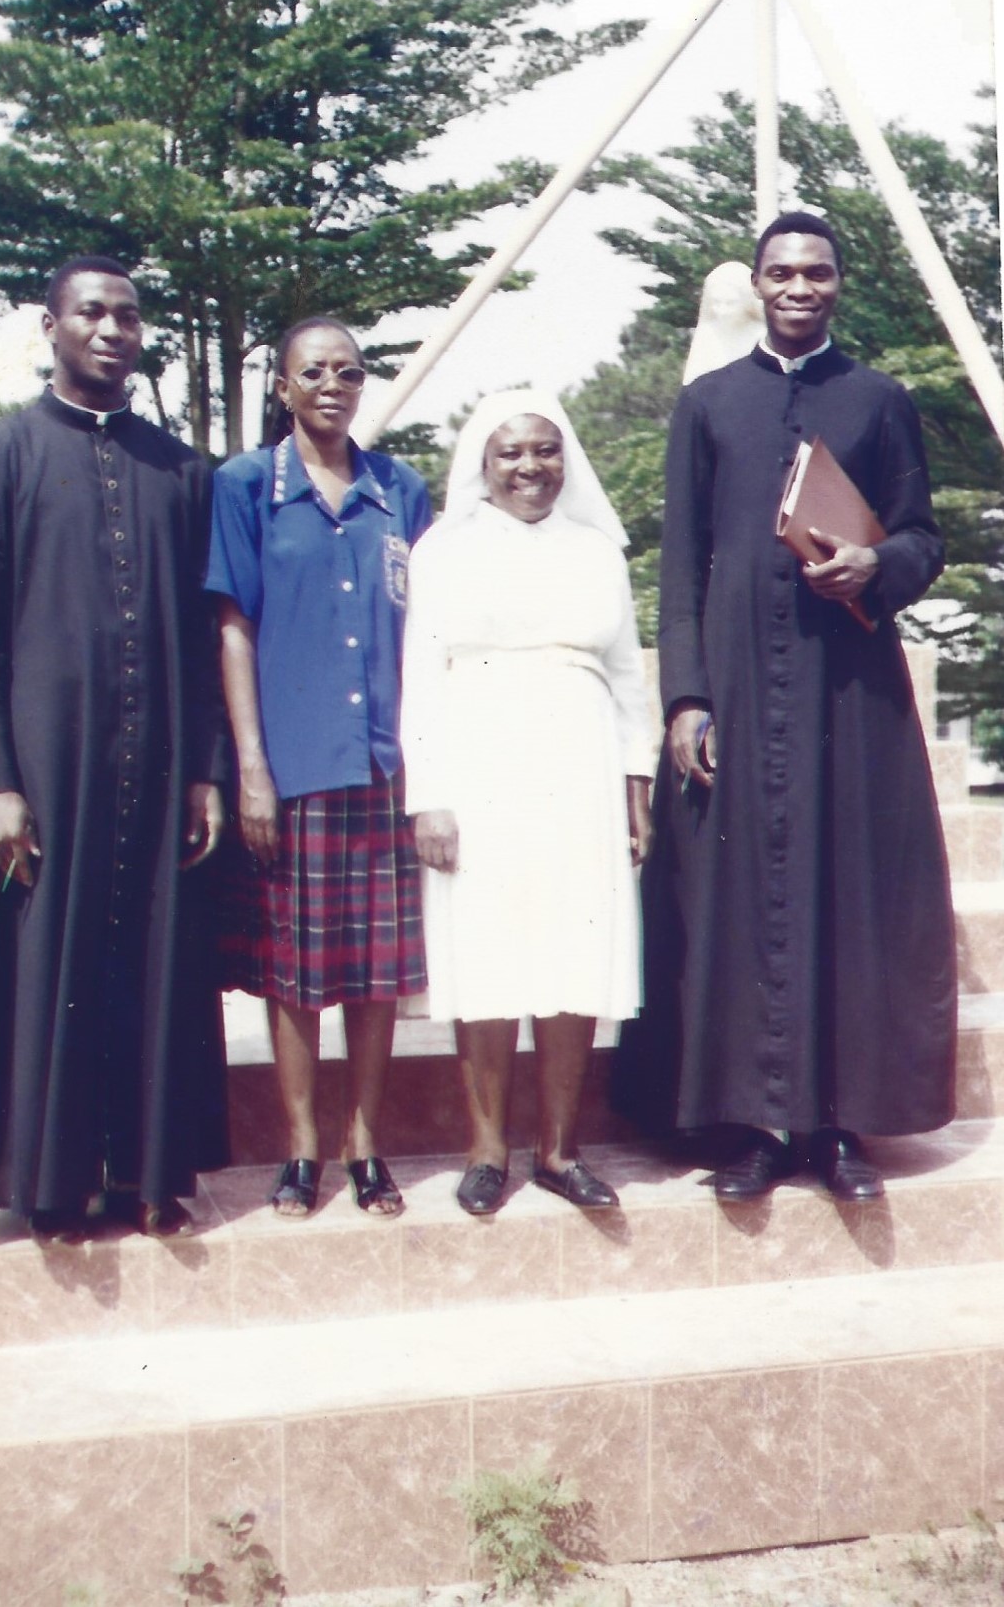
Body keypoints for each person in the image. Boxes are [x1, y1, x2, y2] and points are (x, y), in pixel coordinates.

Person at [620, 210, 957, 1202]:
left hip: (845, 689)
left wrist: (875, 563)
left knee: (842, 894)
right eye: (782, 273)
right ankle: (757, 1127)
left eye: (816, 272)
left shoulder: (878, 399)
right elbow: (680, 566)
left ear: (837, 283)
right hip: (733, 682)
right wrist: (685, 698)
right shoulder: (708, 403)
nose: (799, 288)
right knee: (734, 903)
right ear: (758, 285)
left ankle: (838, 1126)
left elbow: (922, 537)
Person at [0, 255, 229, 1240]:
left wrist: (205, 772)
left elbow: (204, 637)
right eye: (92, 313)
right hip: (47, 766)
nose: (111, 329)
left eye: (128, 316)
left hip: (161, 763)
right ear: (51, 327)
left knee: (152, 958)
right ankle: (52, 1184)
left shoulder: (181, 470)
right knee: (47, 964)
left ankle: (149, 1172)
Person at [401, 389, 654, 1217]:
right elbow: (420, 676)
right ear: (482, 460)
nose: (529, 467)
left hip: (580, 763)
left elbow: (625, 675)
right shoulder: (444, 549)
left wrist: (636, 786)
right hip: (479, 763)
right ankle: (486, 1150)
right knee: (487, 951)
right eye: (510, 451)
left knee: (573, 947)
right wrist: (428, 797)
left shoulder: (596, 550)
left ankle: (558, 1150)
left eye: (545, 449)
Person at [206, 316, 431, 1219]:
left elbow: (427, 628)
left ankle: (364, 1145)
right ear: (283, 388)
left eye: (347, 371)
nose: (331, 386)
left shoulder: (398, 489)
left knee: (375, 971)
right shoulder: (247, 485)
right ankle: (301, 1149)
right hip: (294, 764)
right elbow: (234, 628)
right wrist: (252, 768)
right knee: (293, 972)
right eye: (313, 373)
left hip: (384, 763)